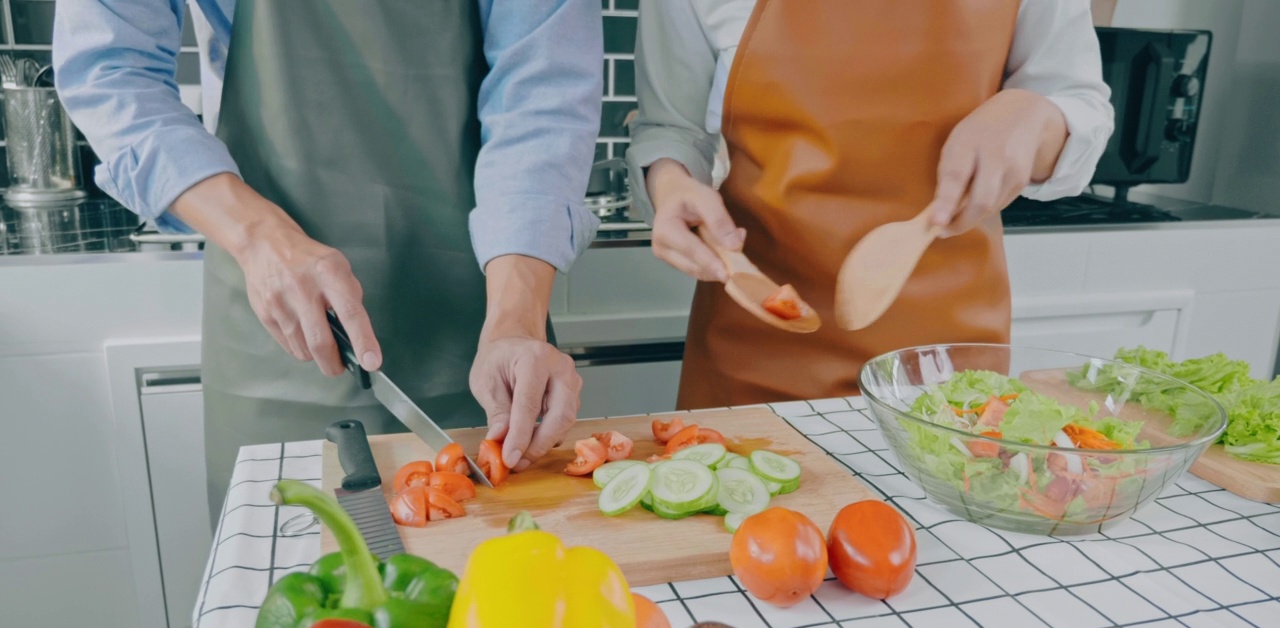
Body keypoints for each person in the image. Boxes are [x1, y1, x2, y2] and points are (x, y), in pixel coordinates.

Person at [54, 0, 602, 517]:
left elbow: (542, 92)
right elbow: (109, 71)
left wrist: (516, 318)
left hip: (480, 308)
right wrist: (257, 237)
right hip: (274, 316)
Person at [628, 0, 1114, 408]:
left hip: (948, 365)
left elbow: (1076, 102)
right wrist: (671, 181)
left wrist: (1037, 115)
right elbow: (671, 127)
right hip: (756, 343)